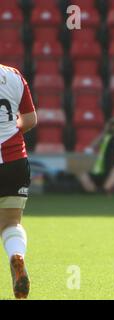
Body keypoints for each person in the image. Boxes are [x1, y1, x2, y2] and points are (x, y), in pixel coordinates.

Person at [0, 64, 37, 299]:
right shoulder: (13, 75)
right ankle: (16, 255)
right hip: (14, 161)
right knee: (11, 223)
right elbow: (31, 120)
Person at [79, 117, 114, 194]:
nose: (113, 127)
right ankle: (94, 192)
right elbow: (92, 146)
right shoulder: (106, 138)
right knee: (83, 175)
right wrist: (104, 131)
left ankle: (104, 190)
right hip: (104, 170)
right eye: (112, 125)